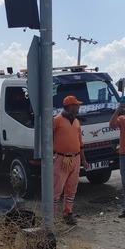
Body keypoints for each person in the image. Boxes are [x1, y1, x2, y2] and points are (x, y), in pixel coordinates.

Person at [53, 95, 88, 225]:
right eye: (76, 105)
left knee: (71, 189)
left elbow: (80, 143)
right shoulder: (57, 120)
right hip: (61, 158)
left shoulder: (77, 122)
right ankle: (51, 218)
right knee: (56, 189)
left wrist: (84, 160)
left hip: (76, 158)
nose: (78, 107)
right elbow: (47, 137)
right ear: (70, 106)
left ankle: (67, 213)